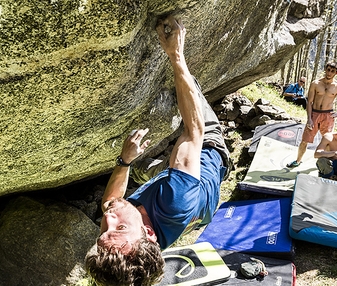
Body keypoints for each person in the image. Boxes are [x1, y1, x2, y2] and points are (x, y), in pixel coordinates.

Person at [85, 16, 231, 286]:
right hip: (209, 150)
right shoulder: (175, 201)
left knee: (143, 171)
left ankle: (154, 168)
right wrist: (176, 54)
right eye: (119, 227)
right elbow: (194, 131)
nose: (107, 218)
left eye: (104, 230)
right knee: (185, 88)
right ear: (148, 231)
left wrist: (124, 160)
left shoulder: (128, 243)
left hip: (191, 200)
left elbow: (110, 202)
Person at [287, 61, 337, 168]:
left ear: (336, 73)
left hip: (328, 116)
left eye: (332, 71)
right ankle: (298, 160)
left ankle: (327, 165)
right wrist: (309, 118)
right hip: (315, 114)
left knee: (328, 141)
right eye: (328, 70)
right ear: (325, 69)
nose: (329, 73)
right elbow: (309, 102)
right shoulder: (316, 83)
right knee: (305, 140)